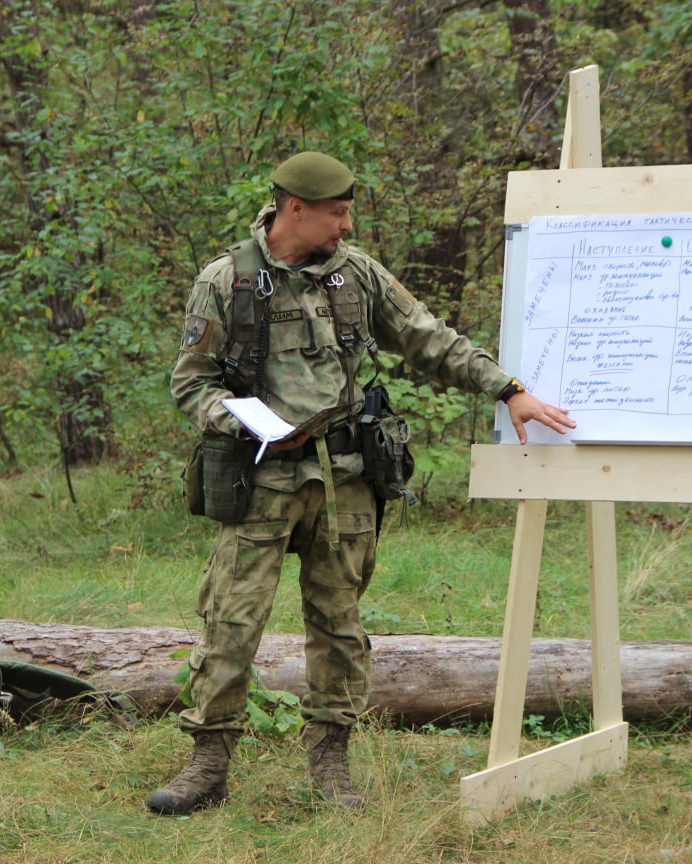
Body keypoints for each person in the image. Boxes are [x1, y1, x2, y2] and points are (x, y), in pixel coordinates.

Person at [151, 151, 575, 815]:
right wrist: (240, 425)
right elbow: (190, 381)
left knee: (340, 626)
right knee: (231, 621)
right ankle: (208, 763)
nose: (346, 226)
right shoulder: (227, 279)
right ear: (295, 209)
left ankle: (331, 765)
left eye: (348, 213)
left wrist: (508, 388)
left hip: (346, 478)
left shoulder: (357, 275)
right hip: (260, 480)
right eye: (336, 213)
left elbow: (427, 338)